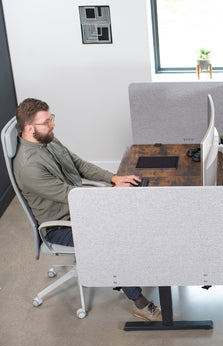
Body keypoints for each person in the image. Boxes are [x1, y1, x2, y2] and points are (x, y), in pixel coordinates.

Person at [13, 98, 162, 321]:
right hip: (60, 225)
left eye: (51, 118)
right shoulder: (29, 166)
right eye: (46, 122)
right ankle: (139, 303)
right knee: (107, 238)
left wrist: (113, 178)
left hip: (79, 208)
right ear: (29, 128)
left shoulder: (47, 141)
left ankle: (133, 268)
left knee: (135, 208)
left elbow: (78, 164)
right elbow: (72, 196)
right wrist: (112, 194)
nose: (52, 124)